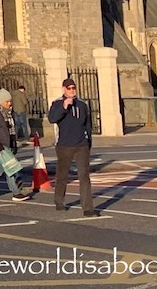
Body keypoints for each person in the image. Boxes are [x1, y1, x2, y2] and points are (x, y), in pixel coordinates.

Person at [48, 78, 95, 215]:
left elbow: (87, 124)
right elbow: (52, 118)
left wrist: (88, 141)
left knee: (84, 176)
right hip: (64, 145)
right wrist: (64, 106)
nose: (72, 91)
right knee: (62, 175)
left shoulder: (82, 104)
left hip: (81, 144)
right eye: (69, 88)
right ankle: (59, 201)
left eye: (73, 88)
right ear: (64, 89)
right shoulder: (57, 103)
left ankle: (87, 208)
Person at [0, 89, 31, 200]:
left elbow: (12, 129)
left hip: (8, 142)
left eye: (10, 101)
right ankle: (15, 192)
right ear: (1, 101)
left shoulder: (10, 112)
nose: (9, 103)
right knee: (10, 166)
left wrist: (14, 143)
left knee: (1, 167)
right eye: (7, 101)